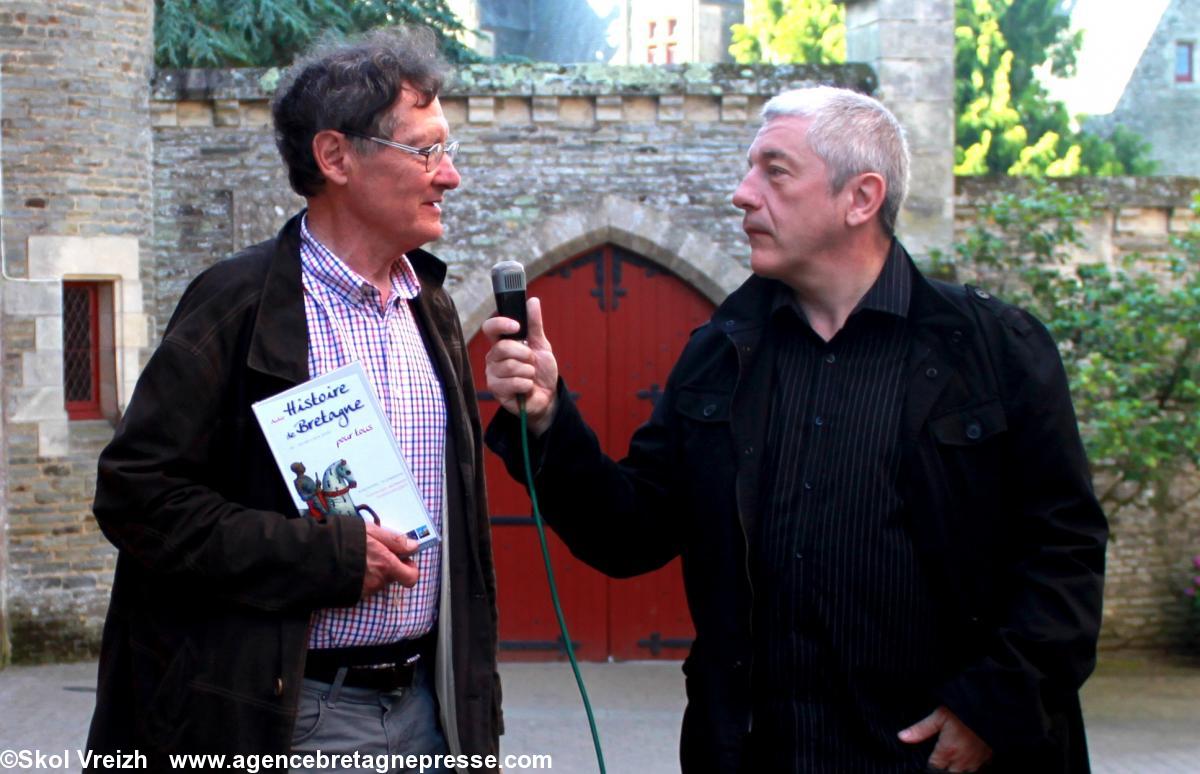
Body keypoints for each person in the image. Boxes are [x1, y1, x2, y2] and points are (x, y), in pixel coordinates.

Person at [482, 86, 1107, 773]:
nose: (742, 194)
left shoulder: (993, 350)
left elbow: (1065, 549)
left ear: (860, 198)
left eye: (774, 172)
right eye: (750, 170)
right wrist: (547, 420)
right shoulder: (720, 356)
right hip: (760, 753)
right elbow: (631, 532)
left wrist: (993, 707)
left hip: (942, 758)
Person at [86, 28, 501, 772]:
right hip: (283, 713)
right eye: (427, 151)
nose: (452, 177)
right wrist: (322, 554)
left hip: (428, 708)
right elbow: (135, 497)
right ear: (336, 157)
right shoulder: (236, 303)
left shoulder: (430, 309)